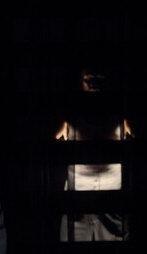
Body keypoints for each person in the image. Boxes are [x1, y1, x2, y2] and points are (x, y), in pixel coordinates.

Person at [55, 67, 131, 241]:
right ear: (79, 82)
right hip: (79, 191)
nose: (93, 84)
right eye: (88, 78)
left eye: (99, 78)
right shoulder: (69, 119)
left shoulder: (121, 117)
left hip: (111, 191)